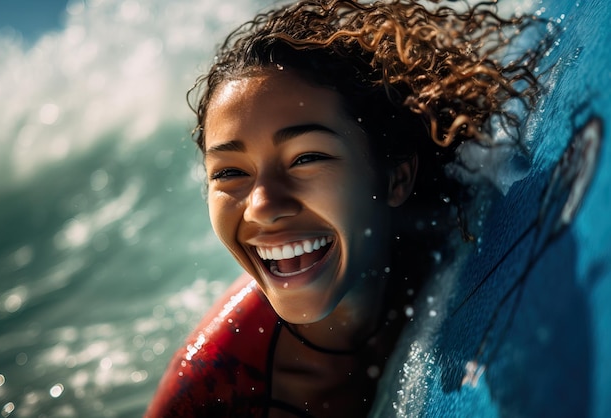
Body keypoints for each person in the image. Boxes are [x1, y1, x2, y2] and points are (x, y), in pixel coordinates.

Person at [146, 0, 549, 416]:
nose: (263, 207)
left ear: (395, 177)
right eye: (229, 172)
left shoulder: (446, 223)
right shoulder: (210, 391)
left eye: (306, 158)